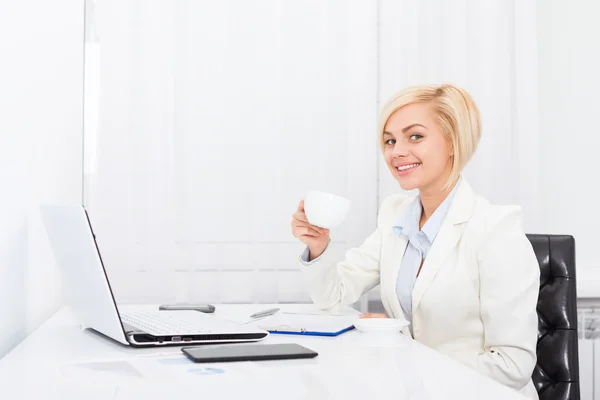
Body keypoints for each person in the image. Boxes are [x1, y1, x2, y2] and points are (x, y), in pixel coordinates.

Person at [290, 84, 540, 399]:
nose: (396, 151)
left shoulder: (496, 229)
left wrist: (401, 355)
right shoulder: (394, 215)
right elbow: (333, 296)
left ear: (453, 142)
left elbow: (512, 366)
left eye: (415, 136)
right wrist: (317, 244)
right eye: (390, 141)